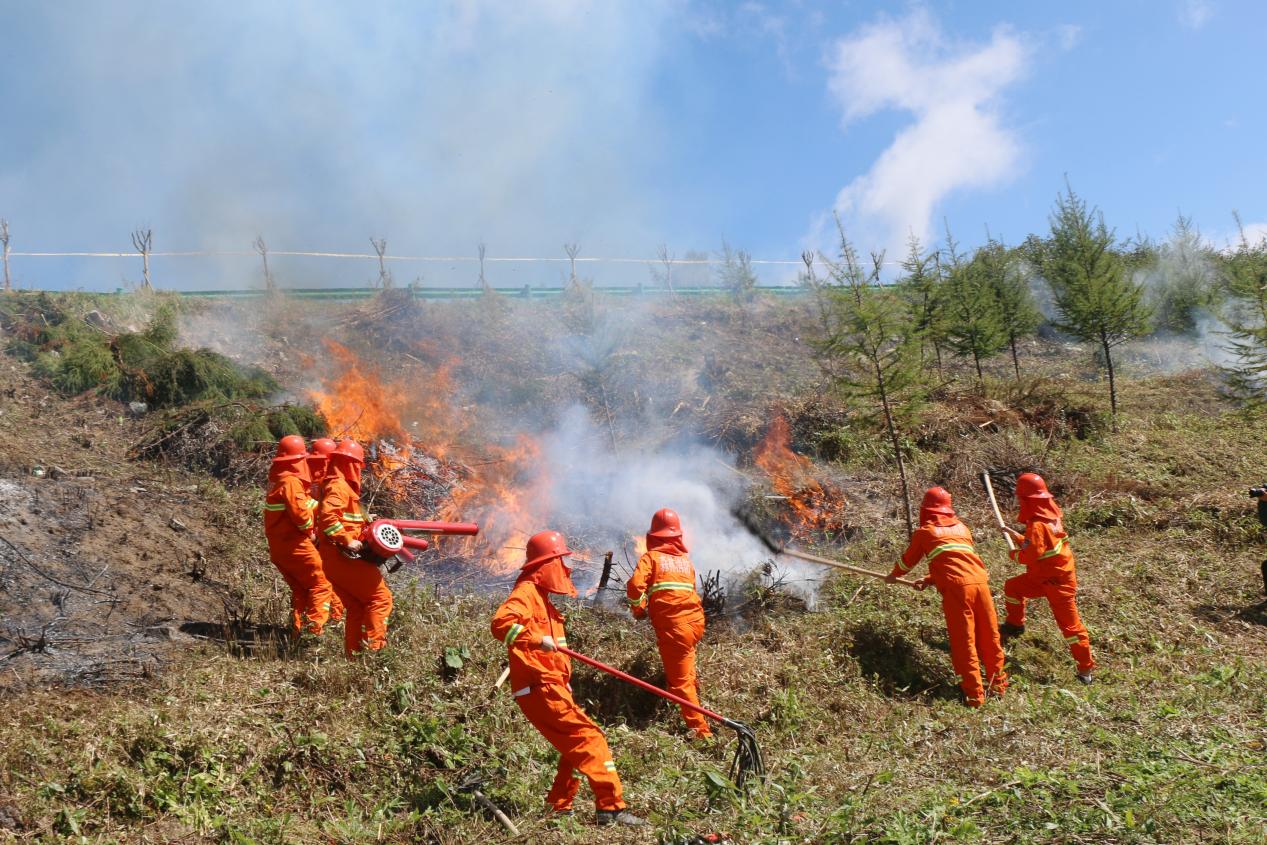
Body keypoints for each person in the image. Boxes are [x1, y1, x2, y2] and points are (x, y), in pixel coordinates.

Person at [491, 530, 645, 827]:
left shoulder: (542, 600)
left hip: (550, 685)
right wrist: (536, 640)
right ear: (545, 564)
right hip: (540, 687)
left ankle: (559, 806)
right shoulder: (526, 593)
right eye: (561, 560)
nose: (567, 568)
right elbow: (501, 625)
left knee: (574, 747)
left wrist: (563, 677)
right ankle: (610, 808)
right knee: (591, 738)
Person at [886, 487, 1008, 707]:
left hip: (957, 591)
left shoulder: (926, 532)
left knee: (964, 642)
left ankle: (974, 697)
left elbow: (907, 561)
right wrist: (930, 579)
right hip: (981, 584)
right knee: (990, 638)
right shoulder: (963, 529)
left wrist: (893, 575)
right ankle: (998, 687)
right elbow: (957, 561)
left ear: (925, 510)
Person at [998, 473, 1096, 684]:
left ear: (1026, 500)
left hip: (1058, 584)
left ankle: (1085, 671)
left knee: (1070, 628)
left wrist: (1014, 554)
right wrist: (1016, 536)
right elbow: (1039, 545)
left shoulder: (1038, 525)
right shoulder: (1050, 519)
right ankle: (1015, 625)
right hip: (1042, 577)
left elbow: (1031, 554)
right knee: (1013, 587)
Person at [626, 508, 711, 739]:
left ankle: (702, 732)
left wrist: (638, 608)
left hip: (676, 628)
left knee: (680, 683)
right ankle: (695, 698)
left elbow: (634, 587)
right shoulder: (685, 562)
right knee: (686, 667)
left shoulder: (651, 558)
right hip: (695, 624)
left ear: (653, 536)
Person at [316, 439, 392, 659]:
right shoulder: (338, 486)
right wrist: (347, 540)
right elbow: (329, 518)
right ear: (350, 463)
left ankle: (355, 657)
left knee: (358, 606)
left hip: (332, 559)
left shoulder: (337, 486)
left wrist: (365, 521)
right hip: (341, 557)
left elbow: (344, 518)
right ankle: (376, 654)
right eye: (357, 465)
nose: (358, 470)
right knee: (380, 599)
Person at [263, 435, 337, 638]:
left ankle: (297, 634)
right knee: (322, 584)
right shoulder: (291, 482)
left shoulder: (279, 479)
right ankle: (313, 635)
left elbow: (303, 506)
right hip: (294, 544)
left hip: (280, 547)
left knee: (302, 589)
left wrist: (321, 508)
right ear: (298, 459)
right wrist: (312, 532)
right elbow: (301, 516)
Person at [304, 437, 345, 626]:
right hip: (318, 536)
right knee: (328, 580)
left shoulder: (304, 474)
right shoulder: (327, 480)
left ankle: (325, 619)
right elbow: (321, 510)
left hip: (311, 534)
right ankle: (330, 621)